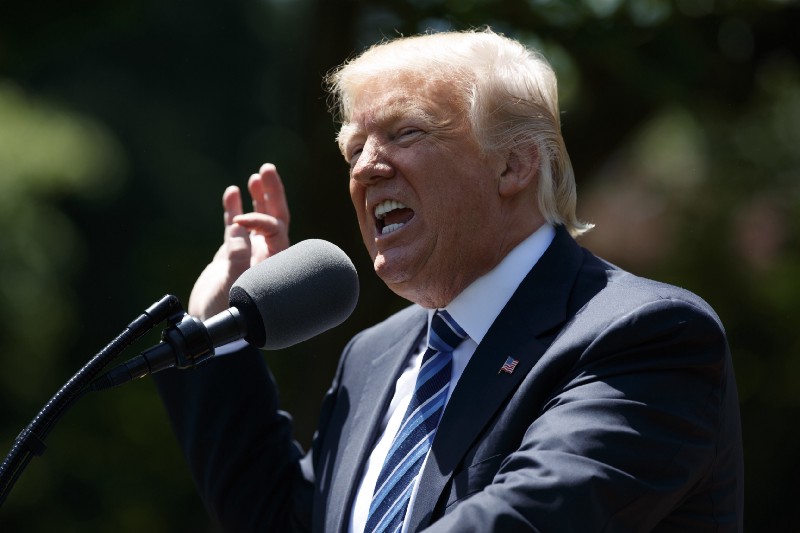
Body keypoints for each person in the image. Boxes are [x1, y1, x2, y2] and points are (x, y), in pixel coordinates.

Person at [154, 28, 743, 532]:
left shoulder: (645, 336)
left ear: (513, 163)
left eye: (406, 133)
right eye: (354, 147)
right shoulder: (373, 356)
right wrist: (214, 330)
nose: (365, 168)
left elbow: (527, 519)